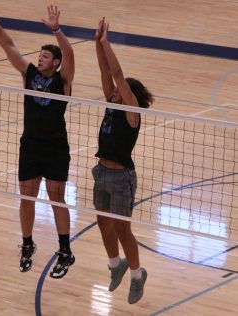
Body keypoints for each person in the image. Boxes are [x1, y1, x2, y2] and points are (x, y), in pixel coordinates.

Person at [0, 2, 75, 278]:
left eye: (46, 56)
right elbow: (9, 47)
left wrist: (57, 30)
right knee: (27, 197)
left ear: (55, 63)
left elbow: (69, 53)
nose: (41, 58)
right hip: (31, 145)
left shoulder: (64, 79)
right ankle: (27, 244)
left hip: (56, 146)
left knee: (57, 198)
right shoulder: (30, 74)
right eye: (41, 55)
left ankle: (65, 251)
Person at [93, 17, 154, 304]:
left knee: (122, 227)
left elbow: (117, 74)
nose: (113, 91)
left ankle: (137, 273)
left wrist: (108, 43)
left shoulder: (132, 113)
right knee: (103, 222)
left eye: (119, 90)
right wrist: (96, 43)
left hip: (121, 177)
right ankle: (115, 264)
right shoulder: (111, 105)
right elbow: (106, 72)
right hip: (101, 171)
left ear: (129, 96)